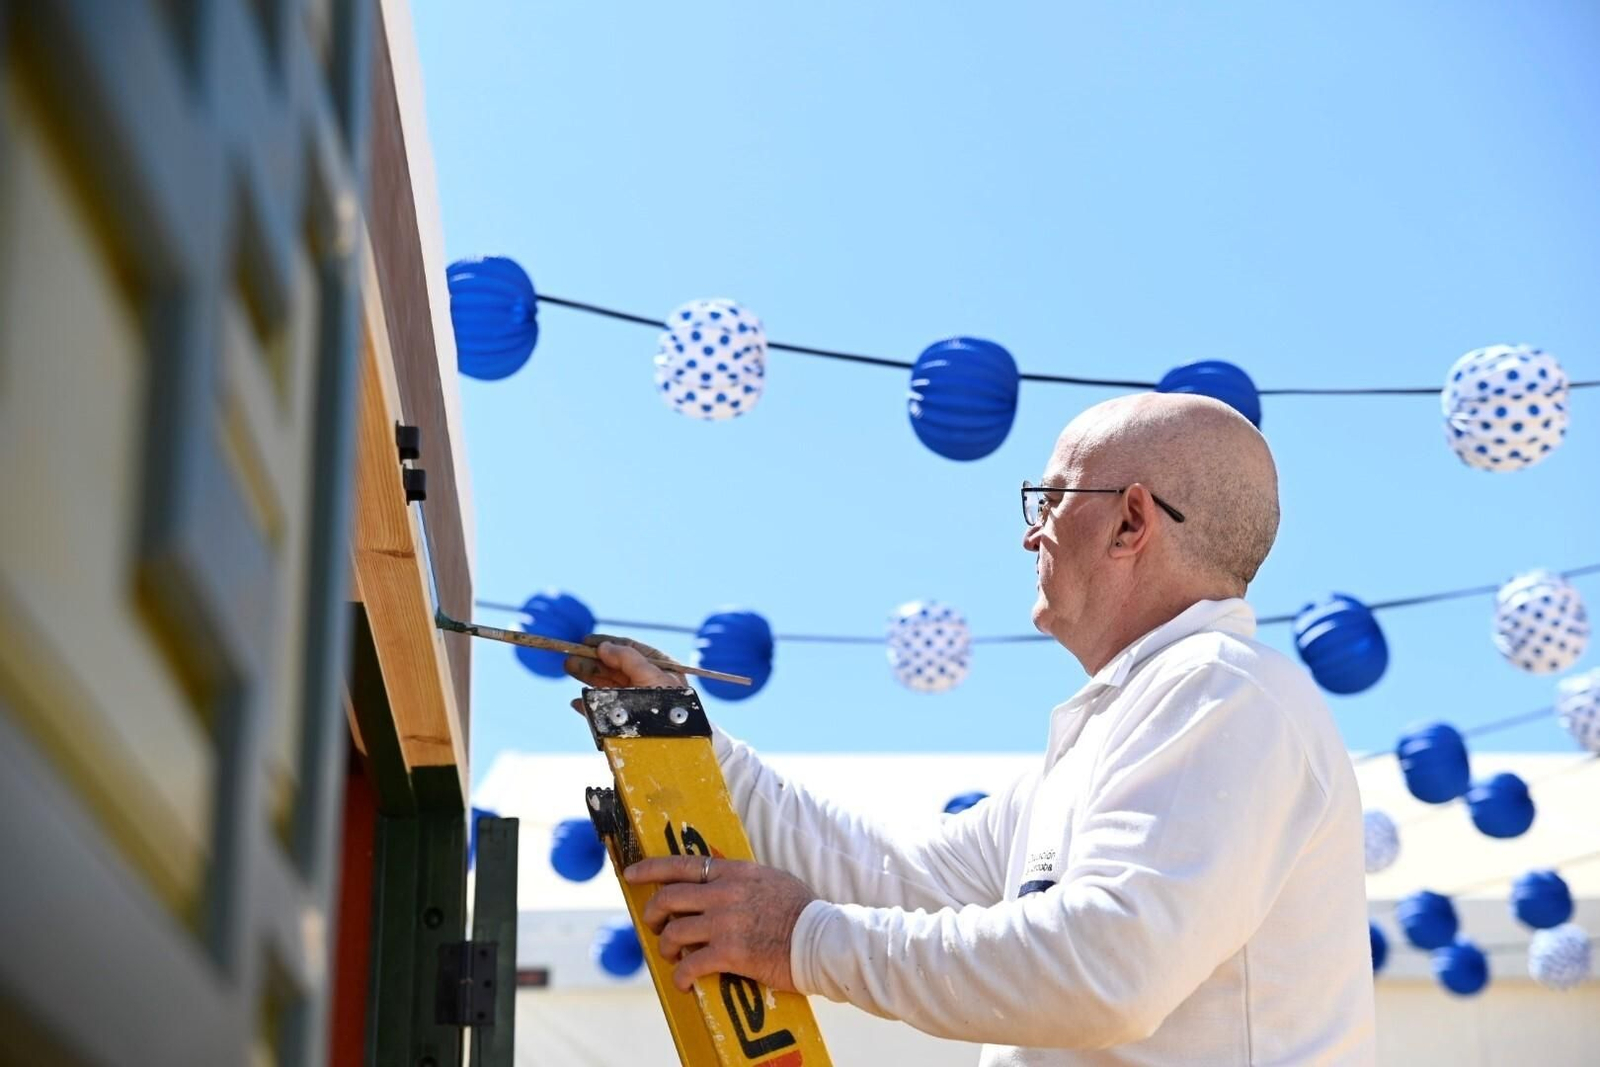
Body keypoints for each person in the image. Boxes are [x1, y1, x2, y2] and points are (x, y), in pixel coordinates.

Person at [565, 392, 1377, 1065]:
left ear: (1131, 522)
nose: (1031, 532)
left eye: (1051, 499)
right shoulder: (1138, 716)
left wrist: (800, 938)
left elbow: (1107, 966)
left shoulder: (1221, 687)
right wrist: (683, 735)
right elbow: (891, 874)